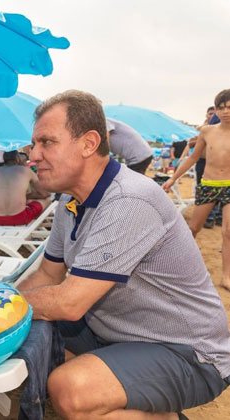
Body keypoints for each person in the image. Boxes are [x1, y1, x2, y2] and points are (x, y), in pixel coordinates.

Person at [19, 90, 230, 419]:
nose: (33, 155)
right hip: (121, 333)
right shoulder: (69, 201)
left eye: (47, 142)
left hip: (188, 351)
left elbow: (69, 302)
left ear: (89, 143)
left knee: (69, 391)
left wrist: (1, 304)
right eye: (34, 144)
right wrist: (10, 297)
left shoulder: (129, 199)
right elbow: (47, 274)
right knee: (43, 346)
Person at [164, 89, 230, 291]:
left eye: (229, 107)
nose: (226, 111)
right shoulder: (207, 131)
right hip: (208, 185)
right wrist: (174, 177)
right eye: (221, 107)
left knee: (228, 232)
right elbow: (193, 158)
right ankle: (176, 266)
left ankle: (226, 276)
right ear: (216, 111)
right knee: (193, 228)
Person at [0, 150, 50, 226]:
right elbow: (44, 194)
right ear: (17, 159)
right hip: (20, 218)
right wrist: (25, 196)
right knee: (46, 201)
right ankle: (36, 221)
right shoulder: (26, 171)